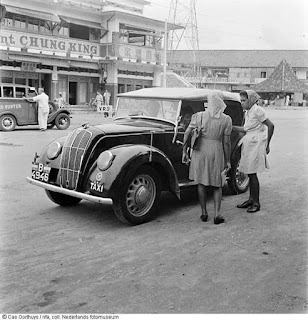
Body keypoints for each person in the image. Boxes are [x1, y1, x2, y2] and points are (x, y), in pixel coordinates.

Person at [182, 91, 232, 224]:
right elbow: (226, 142)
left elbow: (187, 133)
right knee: (217, 184)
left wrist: (185, 151)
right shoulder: (226, 119)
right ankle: (217, 214)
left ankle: (204, 212)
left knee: (201, 183)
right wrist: (227, 160)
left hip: (200, 151)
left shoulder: (199, 116)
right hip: (216, 151)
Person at [233, 90, 274, 213]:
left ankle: (256, 202)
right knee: (249, 172)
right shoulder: (248, 112)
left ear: (250, 100)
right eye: (241, 100)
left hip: (257, 143)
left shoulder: (258, 110)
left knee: (252, 173)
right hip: (249, 142)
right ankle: (251, 199)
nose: (241, 103)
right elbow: (246, 129)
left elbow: (271, 126)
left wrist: (267, 144)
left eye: (244, 100)